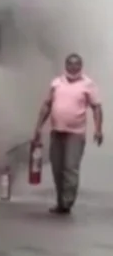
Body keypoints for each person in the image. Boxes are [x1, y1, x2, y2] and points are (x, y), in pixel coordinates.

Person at [32, 52, 103, 214]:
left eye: (76, 64)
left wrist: (98, 130)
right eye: (70, 63)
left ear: (81, 66)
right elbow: (47, 105)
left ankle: (67, 203)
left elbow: (96, 108)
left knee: (70, 168)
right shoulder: (56, 83)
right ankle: (60, 201)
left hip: (75, 134)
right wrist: (38, 127)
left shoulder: (88, 84)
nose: (73, 67)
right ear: (65, 66)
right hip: (56, 132)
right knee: (57, 168)